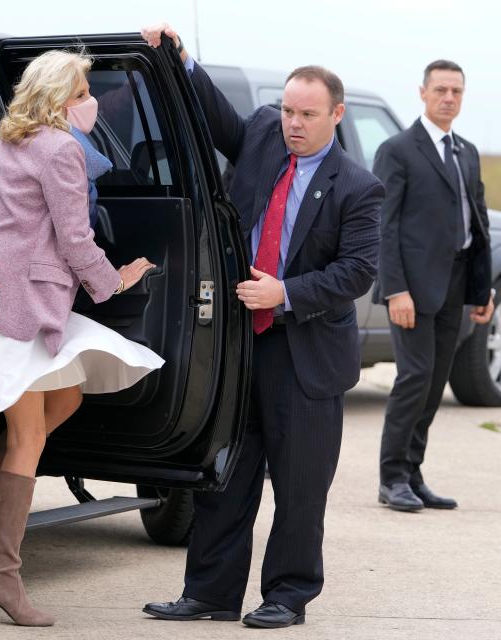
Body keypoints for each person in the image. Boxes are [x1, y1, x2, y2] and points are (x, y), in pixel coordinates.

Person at [139, 24, 384, 628]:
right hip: (239, 350)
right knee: (223, 473)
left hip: (303, 355)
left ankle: (288, 594)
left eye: (307, 114)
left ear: (335, 114)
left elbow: (357, 272)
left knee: (300, 487)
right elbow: (216, 115)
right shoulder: (262, 138)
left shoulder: (358, 187)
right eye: (288, 111)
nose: (293, 124)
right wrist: (180, 57)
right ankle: (211, 594)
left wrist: (287, 293)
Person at [0, 49, 163, 627]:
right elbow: (74, 237)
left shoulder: (13, 141)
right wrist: (113, 281)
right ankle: (1, 576)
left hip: (10, 300)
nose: (90, 101)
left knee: (67, 397)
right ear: (62, 99)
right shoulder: (62, 149)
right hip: (25, 309)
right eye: (83, 92)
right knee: (28, 438)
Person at [373, 60, 493, 512]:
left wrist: (484, 291)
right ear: (422, 92)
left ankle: (413, 472)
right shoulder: (398, 149)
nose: (449, 98)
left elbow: (477, 221)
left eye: (456, 91)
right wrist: (395, 289)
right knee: (414, 378)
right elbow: (385, 226)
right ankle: (391, 478)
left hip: (456, 283)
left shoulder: (467, 151)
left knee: (435, 381)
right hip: (413, 287)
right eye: (440, 89)